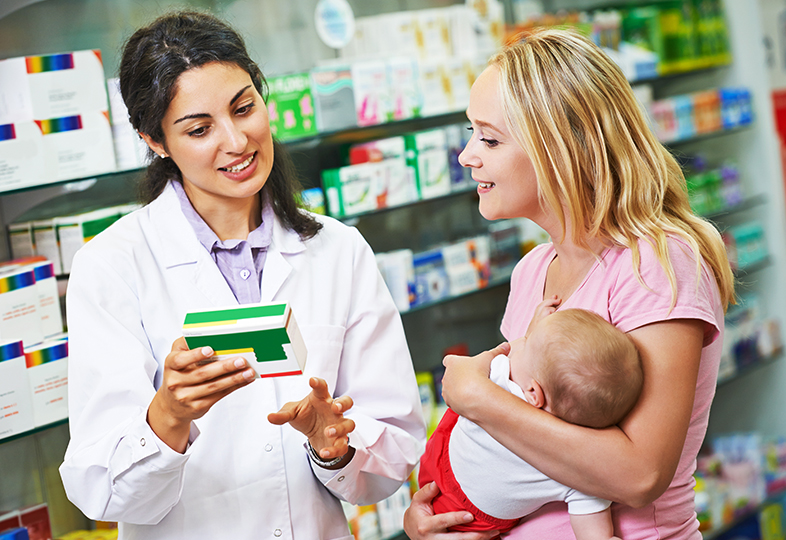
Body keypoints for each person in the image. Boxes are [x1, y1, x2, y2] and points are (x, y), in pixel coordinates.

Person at [58, 10, 426, 540]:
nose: (236, 141)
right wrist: (167, 417)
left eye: (244, 107)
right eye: (200, 128)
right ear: (155, 140)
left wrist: (336, 445)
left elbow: (395, 445)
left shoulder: (338, 249)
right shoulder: (113, 265)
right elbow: (100, 490)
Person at [404, 26, 735, 540]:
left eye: (489, 138)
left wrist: (479, 398)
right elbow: (524, 445)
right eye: (471, 134)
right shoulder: (533, 271)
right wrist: (445, 513)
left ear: (560, 148)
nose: (468, 156)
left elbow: (640, 474)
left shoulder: (658, 262)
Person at [418, 295, 642, 540]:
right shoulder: (579, 472)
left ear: (534, 392)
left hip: (448, 476)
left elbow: (461, 372)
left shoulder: (502, 375)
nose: (520, 342)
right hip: (475, 518)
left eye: (528, 342)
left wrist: (529, 336)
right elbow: (592, 530)